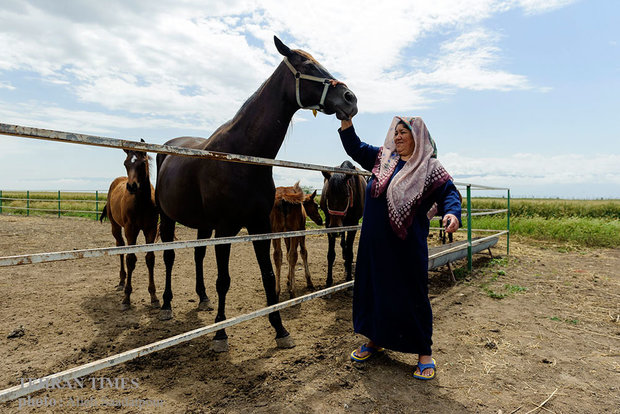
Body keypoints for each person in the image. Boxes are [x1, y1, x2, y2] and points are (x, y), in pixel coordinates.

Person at [338, 115, 461, 380]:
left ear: (418, 137)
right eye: (396, 132)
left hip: (406, 247)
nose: (398, 137)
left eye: (404, 132)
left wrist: (452, 213)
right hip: (375, 245)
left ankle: (424, 353)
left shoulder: (429, 168)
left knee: (412, 295)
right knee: (376, 291)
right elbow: (355, 147)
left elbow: (450, 193)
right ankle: (375, 340)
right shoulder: (383, 158)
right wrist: (346, 119)